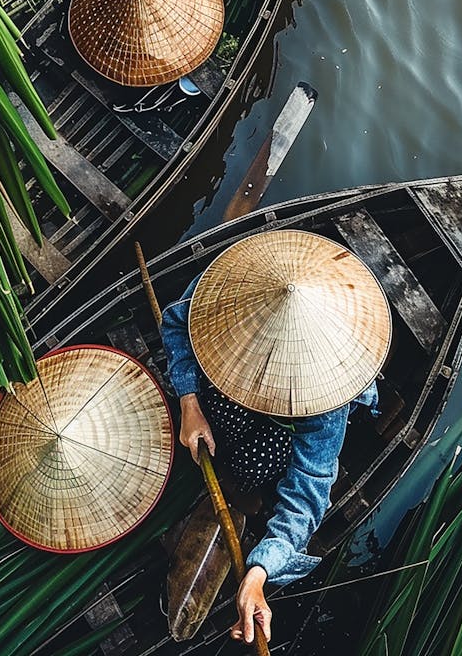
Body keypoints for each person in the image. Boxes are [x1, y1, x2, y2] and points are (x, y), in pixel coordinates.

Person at [160, 230, 392, 646]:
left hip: (281, 430)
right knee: (218, 409)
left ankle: (244, 483)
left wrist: (259, 572)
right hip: (223, 399)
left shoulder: (326, 401)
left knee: (255, 465)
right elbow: (177, 321)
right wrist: (190, 403)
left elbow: (306, 497)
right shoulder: (230, 290)